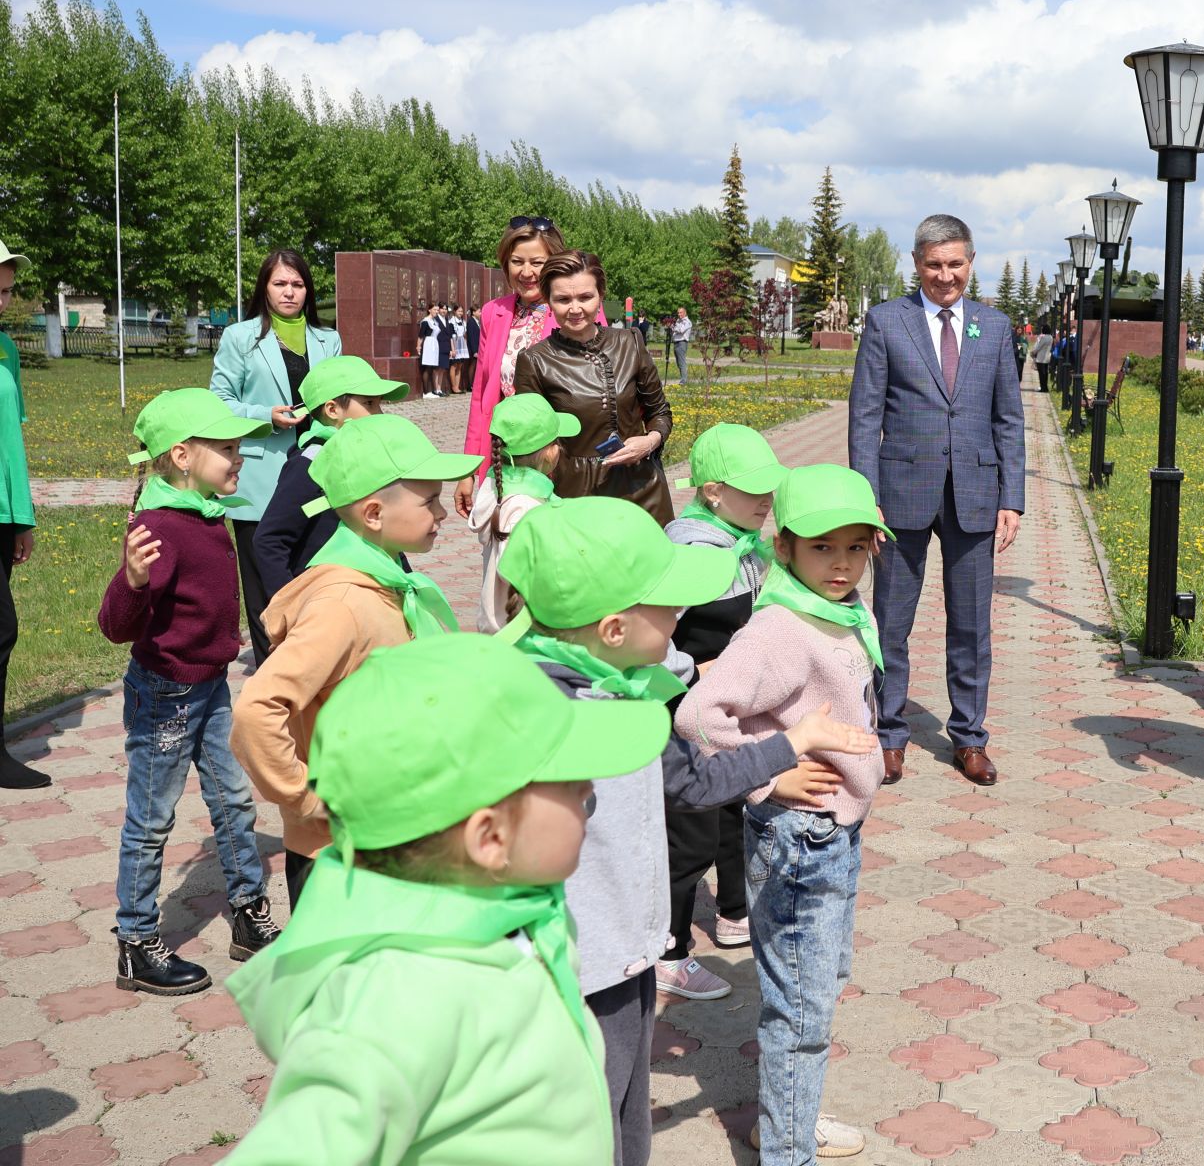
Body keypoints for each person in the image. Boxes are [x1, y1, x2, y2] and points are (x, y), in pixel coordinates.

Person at [498, 496, 869, 1165]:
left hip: (632, 947)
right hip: (572, 958)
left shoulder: (632, 685)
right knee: (584, 1118)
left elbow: (693, 782)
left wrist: (787, 747)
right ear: (613, 627)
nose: (684, 618)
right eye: (668, 607)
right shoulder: (526, 712)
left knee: (626, 1106)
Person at [225, 634, 651, 1164]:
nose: (590, 793)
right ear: (490, 838)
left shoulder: (517, 906)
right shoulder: (398, 1000)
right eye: (574, 788)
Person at [676, 464, 889, 1166]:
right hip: (803, 838)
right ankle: (787, 1152)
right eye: (823, 547)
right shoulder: (778, 630)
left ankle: (787, 1118)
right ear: (786, 547)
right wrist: (770, 776)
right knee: (800, 1011)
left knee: (817, 989)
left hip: (838, 833)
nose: (841, 563)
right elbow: (700, 715)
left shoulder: (844, 609)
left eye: (856, 547)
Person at [231, 416, 479, 908]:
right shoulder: (342, 604)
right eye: (428, 500)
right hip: (341, 857)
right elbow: (256, 710)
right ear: (372, 513)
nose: (441, 513)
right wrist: (308, 801)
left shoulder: (384, 583)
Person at [99, 389, 281, 995]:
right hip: (166, 696)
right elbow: (116, 627)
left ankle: (248, 915)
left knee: (234, 801)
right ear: (181, 456)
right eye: (227, 449)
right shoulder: (161, 528)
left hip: (210, 686)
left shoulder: (202, 511)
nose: (239, 459)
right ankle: (136, 943)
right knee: (151, 820)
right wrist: (130, 580)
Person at [849, 214, 1026, 787]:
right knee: (891, 621)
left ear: (971, 263)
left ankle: (969, 737)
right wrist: (865, 497)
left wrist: (1013, 498)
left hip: (975, 494)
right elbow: (865, 415)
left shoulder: (994, 327)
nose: (945, 275)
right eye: (934, 264)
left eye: (955, 263)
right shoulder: (885, 322)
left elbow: (1008, 418)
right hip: (899, 495)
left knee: (972, 624)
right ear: (917, 264)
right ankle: (889, 734)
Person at [659, 424, 788, 1002]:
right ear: (712, 492)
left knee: (737, 807)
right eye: (752, 489)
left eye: (770, 488)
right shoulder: (690, 550)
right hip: (683, 714)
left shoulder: (746, 545)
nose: (766, 500)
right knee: (689, 830)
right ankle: (667, 948)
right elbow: (650, 630)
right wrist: (692, 669)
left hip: (725, 716)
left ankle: (735, 912)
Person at [210, 250, 343, 664]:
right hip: (261, 476)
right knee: (264, 581)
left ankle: (312, 662)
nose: (289, 292)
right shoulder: (240, 337)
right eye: (280, 283)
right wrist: (263, 416)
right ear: (264, 288)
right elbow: (219, 402)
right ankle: (273, 670)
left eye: (297, 284)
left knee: (312, 571)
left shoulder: (329, 339)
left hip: (318, 471)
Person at [513, 251, 674, 525]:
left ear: (600, 295)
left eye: (585, 297)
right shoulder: (535, 361)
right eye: (563, 299)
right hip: (577, 494)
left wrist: (650, 441)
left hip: (643, 488)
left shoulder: (630, 343)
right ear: (549, 301)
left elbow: (659, 411)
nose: (575, 309)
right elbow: (531, 443)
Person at [456, 215, 599, 518]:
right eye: (516, 261)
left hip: (564, 454)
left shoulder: (578, 310)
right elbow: (483, 396)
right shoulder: (494, 313)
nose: (527, 271)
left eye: (537, 261)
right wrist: (468, 470)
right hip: (509, 458)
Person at [252, 356, 410, 601]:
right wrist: (290, 606)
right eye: (369, 403)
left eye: (380, 404)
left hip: (370, 594)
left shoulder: (363, 458)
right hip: (327, 601)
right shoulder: (311, 464)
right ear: (333, 409)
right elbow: (270, 540)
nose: (379, 414)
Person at [470, 392, 575, 634]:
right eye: (557, 441)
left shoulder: (498, 488)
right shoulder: (525, 509)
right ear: (550, 453)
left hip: (500, 630)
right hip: (520, 637)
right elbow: (525, 579)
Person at [0, 238, 45, 790]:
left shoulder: (6, 347)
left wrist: (22, 518)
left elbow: (12, 442)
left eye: (7, 291)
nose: (3, 302)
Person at [417, 304, 447, 398]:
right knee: (427, 368)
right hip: (428, 344)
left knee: (432, 368)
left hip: (434, 344)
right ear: (429, 310)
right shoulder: (426, 321)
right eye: (435, 310)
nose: (436, 312)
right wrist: (418, 347)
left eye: (437, 310)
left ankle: (430, 391)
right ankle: (425, 392)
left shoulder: (434, 321)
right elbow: (421, 336)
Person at [448, 305, 474, 394]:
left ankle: (457, 387)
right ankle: (453, 386)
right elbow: (451, 336)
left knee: (460, 366)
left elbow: (464, 335)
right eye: (459, 311)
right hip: (455, 344)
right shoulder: (451, 322)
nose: (460, 313)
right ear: (455, 311)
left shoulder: (463, 322)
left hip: (462, 345)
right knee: (454, 365)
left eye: (462, 311)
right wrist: (453, 348)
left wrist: (465, 347)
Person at [669, 308, 692, 385]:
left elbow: (681, 330)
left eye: (681, 313)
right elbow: (673, 329)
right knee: (678, 362)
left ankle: (683, 381)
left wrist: (674, 328)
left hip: (682, 342)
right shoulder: (678, 321)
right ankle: (683, 377)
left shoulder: (687, 322)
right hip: (676, 342)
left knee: (682, 362)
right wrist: (672, 327)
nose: (679, 314)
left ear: (685, 313)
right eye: (678, 313)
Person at [1032, 327, 1055, 393]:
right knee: (1045, 374)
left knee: (1041, 374)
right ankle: (1045, 387)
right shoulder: (1050, 337)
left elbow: (1038, 347)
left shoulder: (1044, 338)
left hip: (1041, 358)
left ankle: (1043, 388)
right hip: (1047, 357)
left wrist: (1033, 352)